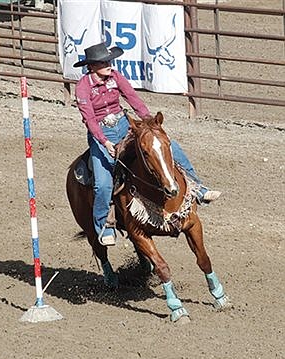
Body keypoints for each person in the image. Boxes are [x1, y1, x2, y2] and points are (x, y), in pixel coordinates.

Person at [73, 42, 221, 246]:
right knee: (103, 182)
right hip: (101, 131)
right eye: (103, 62)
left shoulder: (115, 77)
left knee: (169, 146)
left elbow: (133, 98)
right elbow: (89, 119)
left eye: (109, 60)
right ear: (92, 66)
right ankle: (104, 225)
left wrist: (149, 123)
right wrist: (104, 141)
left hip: (124, 124)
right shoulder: (82, 87)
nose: (109, 64)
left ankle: (198, 188)